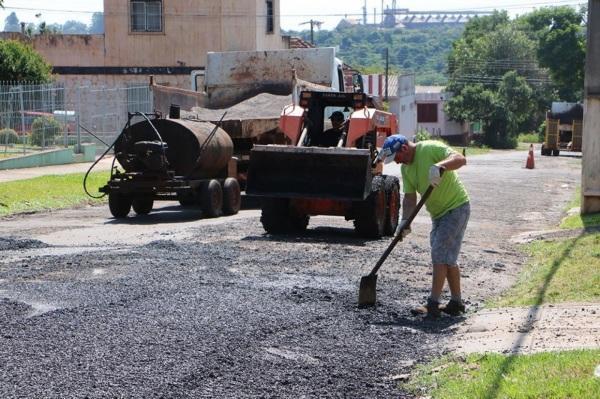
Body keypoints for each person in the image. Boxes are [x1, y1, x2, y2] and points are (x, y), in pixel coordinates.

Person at [378, 134, 470, 318]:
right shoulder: (406, 169)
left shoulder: (429, 148)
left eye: (396, 158)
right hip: (438, 214)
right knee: (447, 257)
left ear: (404, 149)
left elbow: (460, 159)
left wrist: (440, 166)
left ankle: (433, 304)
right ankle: (456, 303)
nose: (396, 163)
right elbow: (410, 198)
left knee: (439, 254)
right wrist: (405, 221)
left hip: (456, 208)